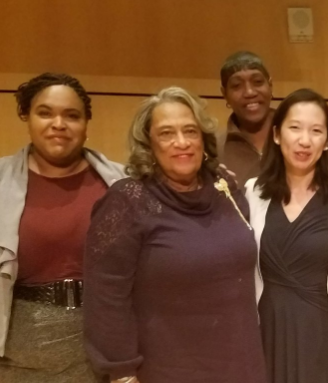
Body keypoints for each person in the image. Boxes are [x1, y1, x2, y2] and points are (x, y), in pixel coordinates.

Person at [83, 86, 266, 383]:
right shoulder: (127, 200)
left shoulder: (226, 189)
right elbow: (106, 298)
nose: (182, 142)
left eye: (190, 131)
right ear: (149, 144)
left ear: (203, 139)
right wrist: (122, 373)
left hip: (242, 365)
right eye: (167, 133)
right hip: (168, 370)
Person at [0, 73, 124, 382]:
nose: (59, 124)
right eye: (45, 112)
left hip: (106, 351)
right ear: (26, 117)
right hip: (18, 356)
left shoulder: (124, 183)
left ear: (86, 124)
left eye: (72, 115)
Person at [245, 88, 328, 383]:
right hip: (267, 333)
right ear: (276, 134)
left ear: (327, 142)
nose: (304, 140)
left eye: (316, 131)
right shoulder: (251, 194)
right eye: (295, 128)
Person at [217, 51, 276, 185]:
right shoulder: (214, 148)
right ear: (224, 93)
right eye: (237, 85)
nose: (249, 92)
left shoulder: (296, 137)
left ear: (270, 85)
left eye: (258, 82)